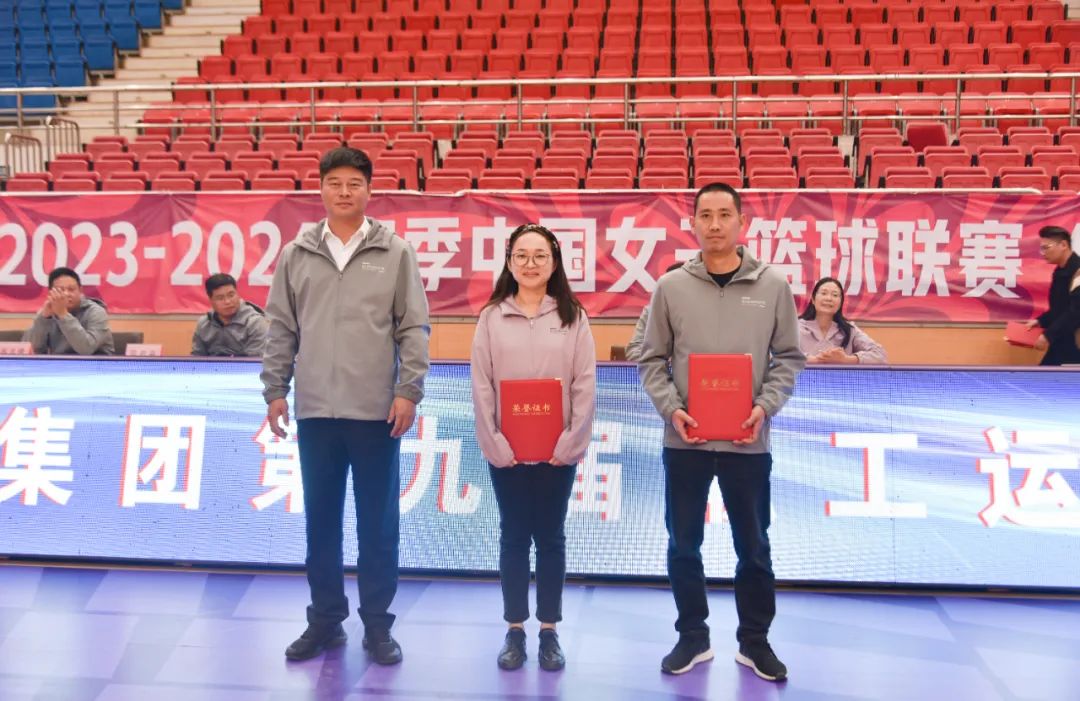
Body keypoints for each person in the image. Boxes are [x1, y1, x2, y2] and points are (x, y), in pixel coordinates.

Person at [261, 147, 430, 664]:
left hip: (376, 412)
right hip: (315, 411)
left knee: (378, 525)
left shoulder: (395, 252)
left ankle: (377, 625)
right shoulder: (296, 254)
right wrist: (275, 389)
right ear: (321, 189)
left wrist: (408, 390)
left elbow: (413, 327)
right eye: (334, 182)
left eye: (354, 183)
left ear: (369, 190)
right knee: (321, 523)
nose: (344, 191)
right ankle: (325, 619)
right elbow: (280, 326)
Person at [637, 183, 805, 681]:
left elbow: (789, 358)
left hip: (747, 443)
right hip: (684, 442)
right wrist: (673, 410)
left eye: (724, 215)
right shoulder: (671, 287)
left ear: (742, 223)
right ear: (692, 223)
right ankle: (692, 636)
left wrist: (764, 407)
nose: (714, 224)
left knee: (753, 547)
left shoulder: (773, 286)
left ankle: (755, 641)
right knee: (682, 544)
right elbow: (651, 358)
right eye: (705, 215)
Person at [470, 223, 596, 673]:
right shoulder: (491, 316)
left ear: (554, 262)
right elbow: (481, 384)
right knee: (513, 536)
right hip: (506, 452)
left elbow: (584, 384)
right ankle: (514, 629)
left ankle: (548, 630)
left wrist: (571, 441)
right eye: (521, 255)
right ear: (509, 262)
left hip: (557, 452)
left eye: (540, 255)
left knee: (551, 537)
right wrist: (494, 441)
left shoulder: (573, 316)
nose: (530, 264)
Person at [24, 267, 114, 355]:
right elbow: (30, 349)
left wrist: (63, 314)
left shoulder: (96, 312)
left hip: (95, 363)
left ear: (80, 291)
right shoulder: (49, 311)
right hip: (59, 363)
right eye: (60, 290)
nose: (66, 294)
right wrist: (43, 318)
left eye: (71, 289)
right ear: (51, 293)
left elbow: (86, 349)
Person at [1023, 226, 1080, 366]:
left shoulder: (1078, 272)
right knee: (1044, 375)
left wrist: (1048, 335)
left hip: (1075, 342)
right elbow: (1060, 308)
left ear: (1063, 245)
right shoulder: (1059, 271)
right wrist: (1040, 321)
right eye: (1041, 249)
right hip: (1063, 339)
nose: (1042, 253)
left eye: (1046, 248)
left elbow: (1076, 312)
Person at [798, 276, 887, 364]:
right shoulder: (796, 327)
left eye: (835, 295)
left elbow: (880, 354)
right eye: (824, 293)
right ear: (813, 299)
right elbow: (788, 355)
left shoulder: (850, 330)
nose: (829, 298)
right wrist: (815, 360)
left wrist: (846, 360)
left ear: (840, 303)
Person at [191, 273, 269, 357]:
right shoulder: (204, 324)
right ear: (211, 300)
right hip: (211, 366)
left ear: (237, 294)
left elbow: (254, 360)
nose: (227, 301)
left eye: (231, 295)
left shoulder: (255, 323)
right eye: (220, 298)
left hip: (244, 365)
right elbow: (197, 358)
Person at [625, 261, 684, 363]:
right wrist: (659, 365)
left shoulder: (701, 310)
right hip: (659, 370)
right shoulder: (651, 311)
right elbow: (634, 350)